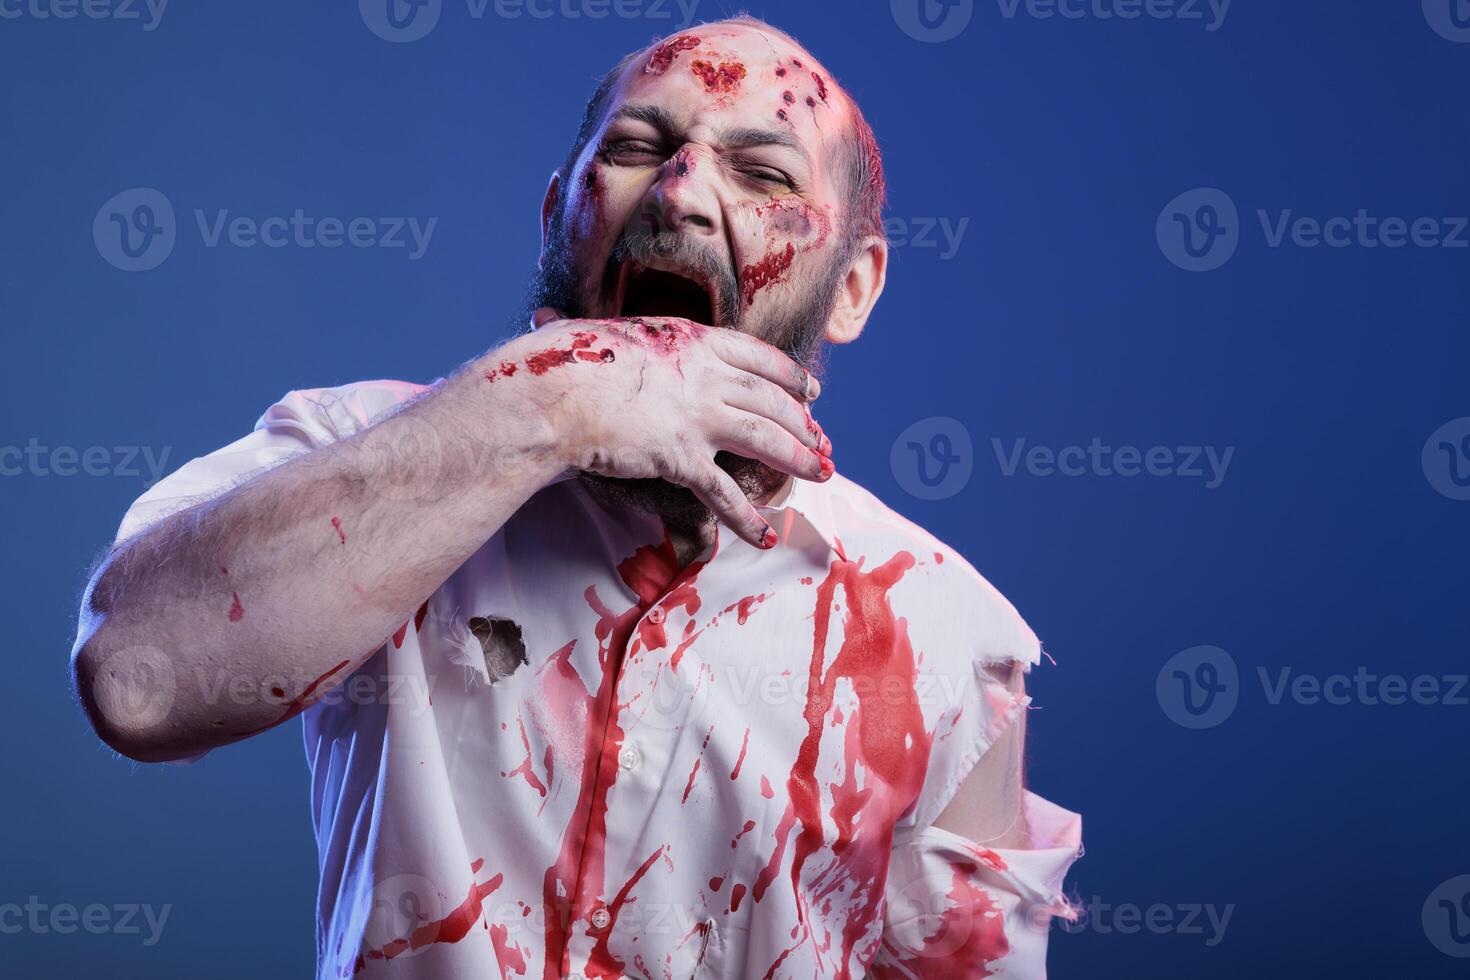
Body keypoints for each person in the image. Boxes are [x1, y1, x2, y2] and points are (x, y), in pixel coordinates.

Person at [70, 16, 1081, 979]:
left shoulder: (951, 637)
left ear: (853, 288)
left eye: (763, 172)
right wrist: (555, 398)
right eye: (640, 146)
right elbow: (134, 682)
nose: (680, 194)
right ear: (558, 208)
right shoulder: (357, 450)